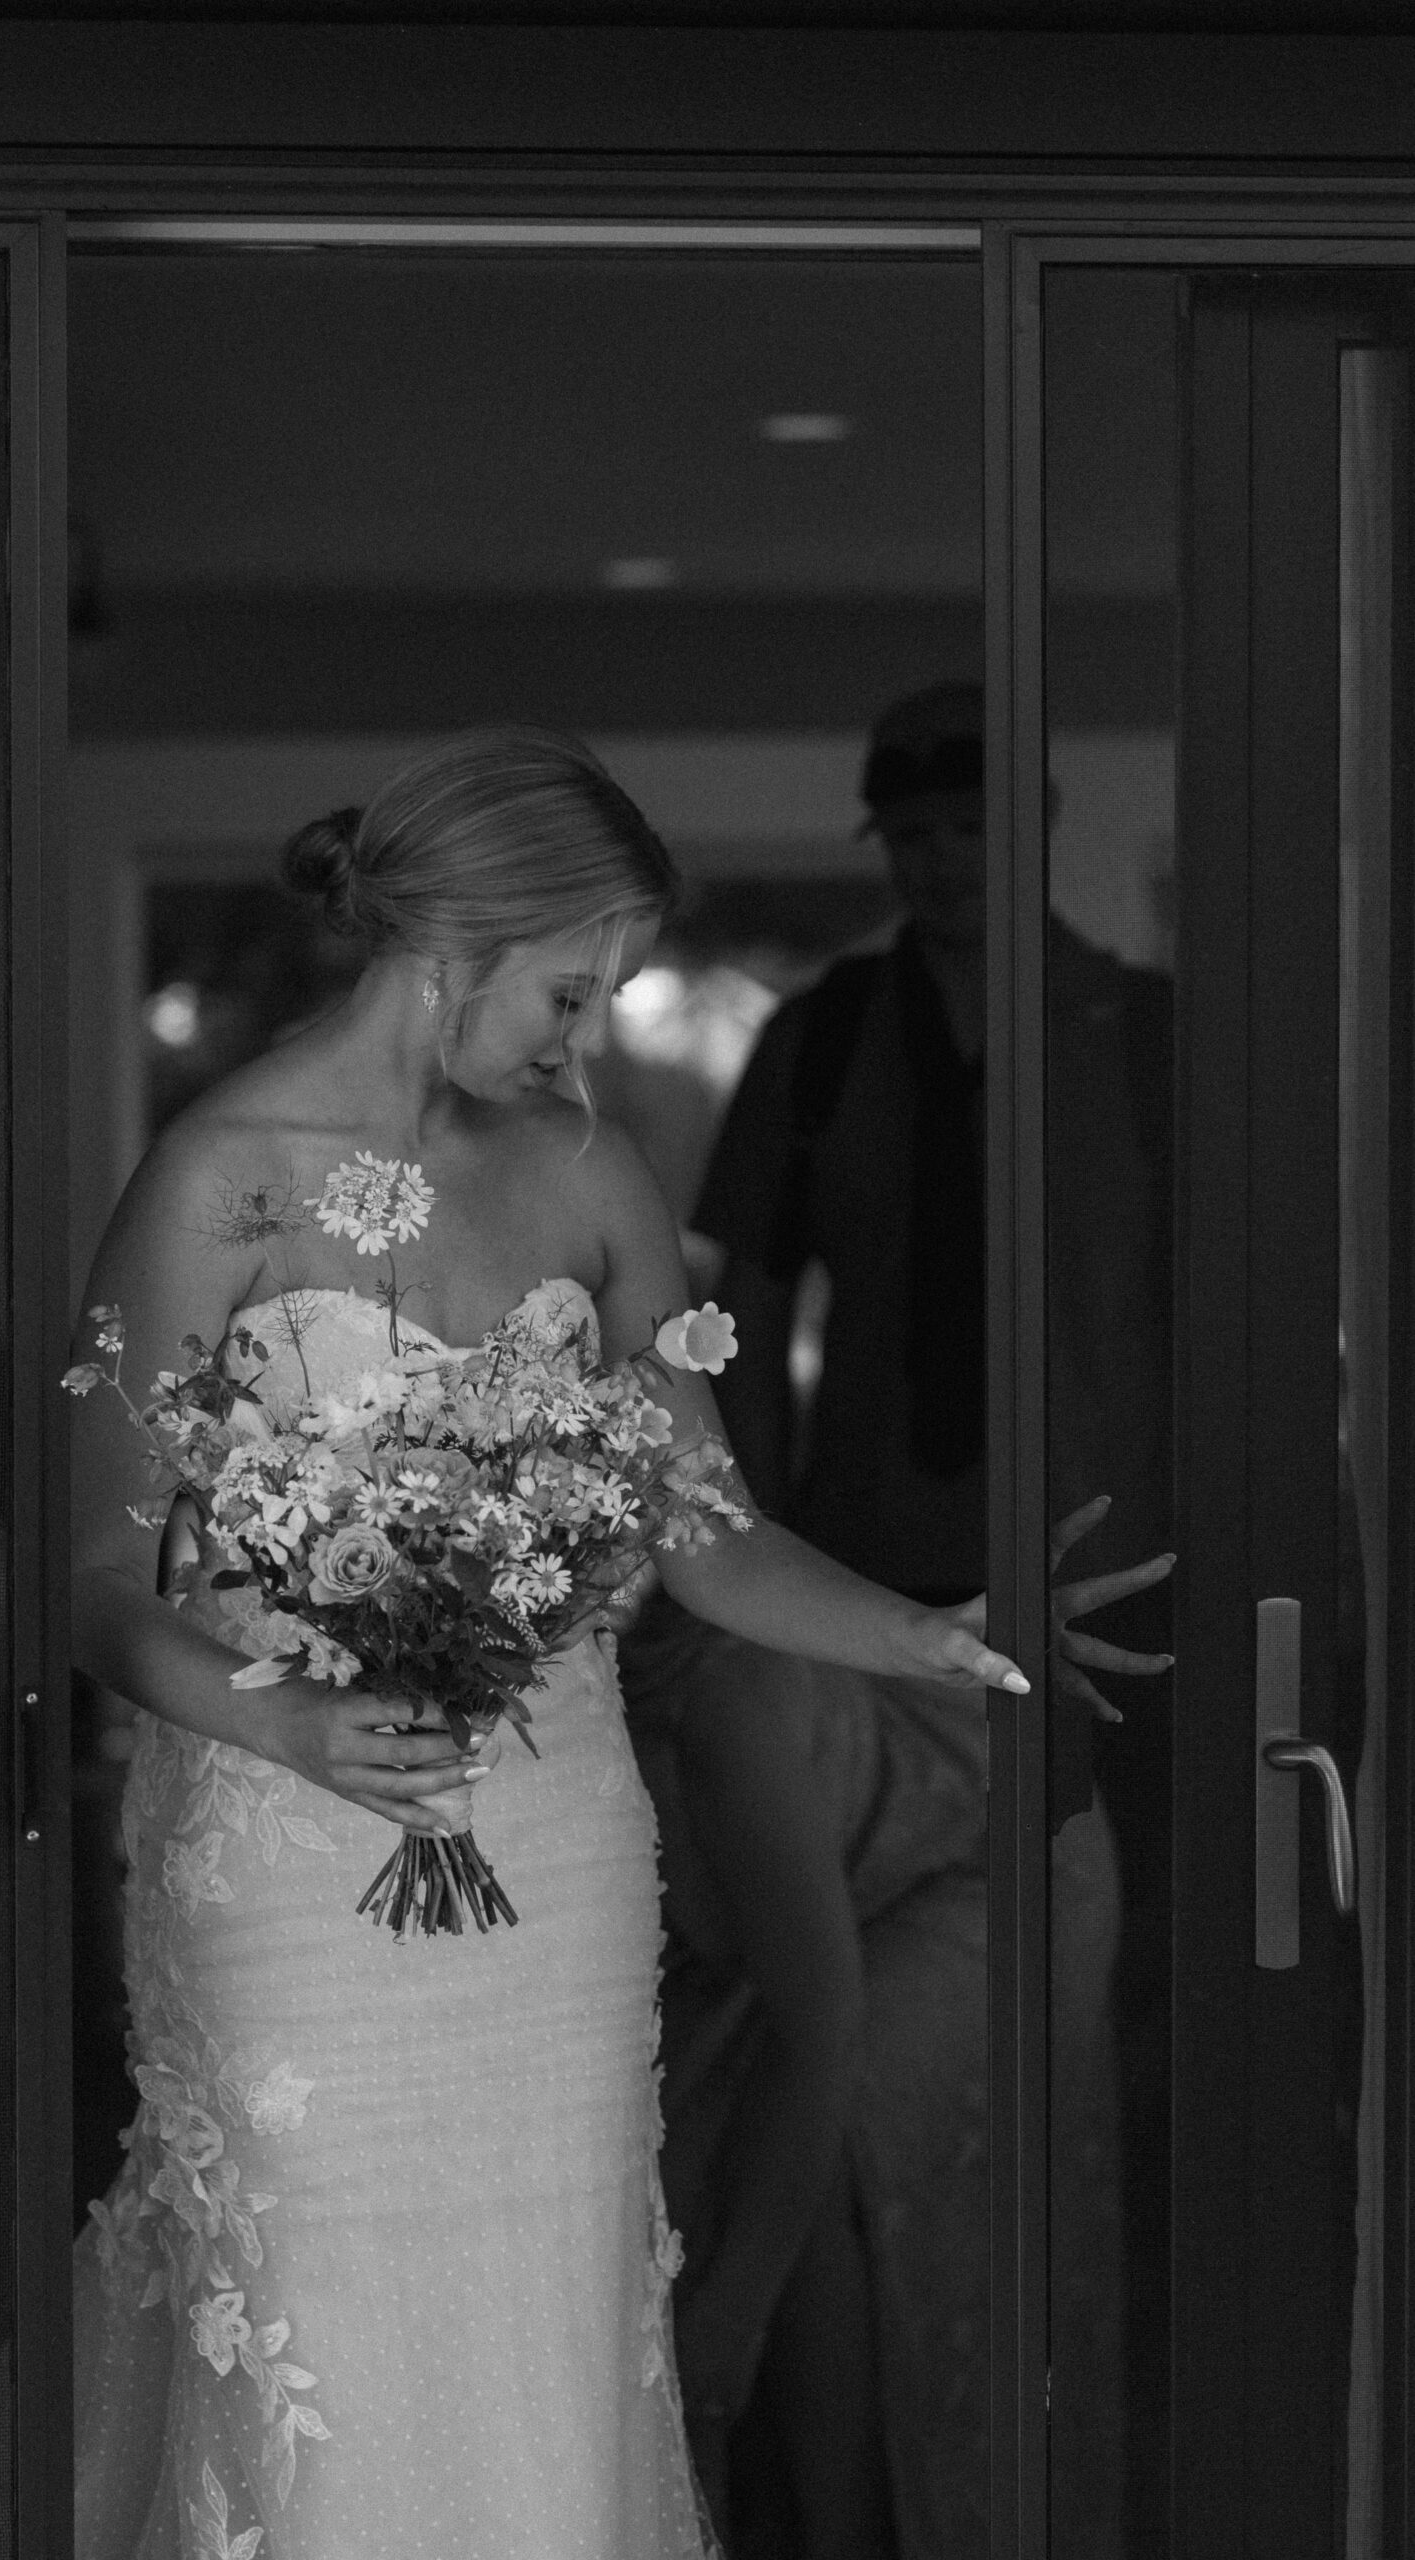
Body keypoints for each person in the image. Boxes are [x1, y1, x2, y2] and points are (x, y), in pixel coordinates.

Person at [67, 727, 1172, 2560]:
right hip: (290, 1854)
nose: (583, 1047)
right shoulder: (217, 1181)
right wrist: (293, 1731)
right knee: (319, 2337)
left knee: (555, 2333)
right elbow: (100, 1585)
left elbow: (702, 1527)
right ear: (461, 940)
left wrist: (932, 1631)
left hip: (555, 1847)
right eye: (573, 991)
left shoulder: (591, 1178)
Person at [668, 681, 1171, 2553]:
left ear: (1029, 825)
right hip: (867, 1588)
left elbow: (1217, 1309)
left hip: (1117, 1591)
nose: (945, 868)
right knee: (829, 2091)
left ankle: (1037, 2484)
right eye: (915, 839)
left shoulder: (1141, 1032)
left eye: (973, 830)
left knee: (1072, 2083)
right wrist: (762, 1551)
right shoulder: (818, 1041)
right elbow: (734, 1311)